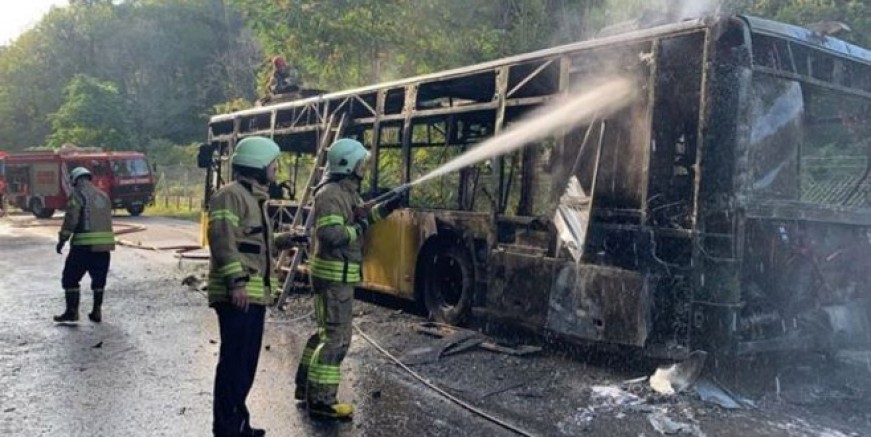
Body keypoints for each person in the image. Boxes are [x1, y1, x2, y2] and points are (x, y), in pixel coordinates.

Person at [293, 138, 402, 420]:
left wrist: (389, 206)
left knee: (324, 335)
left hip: (335, 276)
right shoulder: (331, 194)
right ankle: (321, 401)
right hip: (334, 278)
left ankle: (305, 389)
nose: (363, 167)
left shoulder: (345, 192)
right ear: (349, 165)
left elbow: (361, 216)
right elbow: (332, 234)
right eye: (360, 163)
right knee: (337, 340)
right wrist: (360, 226)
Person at [207, 136, 296, 437]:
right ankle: (227, 429)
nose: (276, 168)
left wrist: (287, 240)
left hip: (252, 297)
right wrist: (236, 283)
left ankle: (238, 423)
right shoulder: (230, 196)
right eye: (273, 163)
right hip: (238, 296)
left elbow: (256, 244)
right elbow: (222, 240)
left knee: (245, 365)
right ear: (258, 164)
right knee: (234, 365)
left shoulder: (254, 199)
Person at [54, 167, 115, 323]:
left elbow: (71, 219)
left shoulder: (78, 195)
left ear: (75, 181)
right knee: (99, 279)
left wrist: (63, 239)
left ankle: (72, 312)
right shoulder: (103, 196)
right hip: (104, 247)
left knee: (70, 278)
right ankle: (96, 311)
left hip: (83, 247)